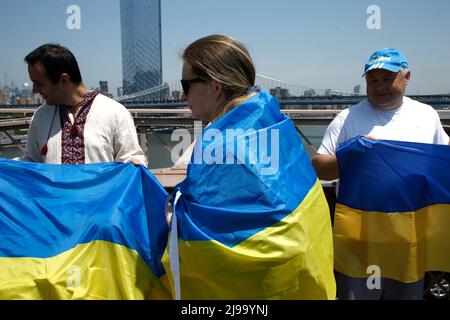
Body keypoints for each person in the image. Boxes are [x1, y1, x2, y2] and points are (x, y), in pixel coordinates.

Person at [162, 35, 335, 300]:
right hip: (303, 265)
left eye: (186, 84)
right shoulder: (273, 120)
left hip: (261, 283)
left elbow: (204, 228)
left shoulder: (220, 143)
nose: (182, 95)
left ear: (214, 87)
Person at [312, 48, 450, 299]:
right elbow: (319, 168)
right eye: (372, 81)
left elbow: (442, 164)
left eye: (387, 79)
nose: (380, 87)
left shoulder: (427, 116)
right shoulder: (346, 118)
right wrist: (348, 156)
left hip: (409, 240)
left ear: (406, 77)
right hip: (360, 242)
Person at [21, 44, 146, 166]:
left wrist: (134, 163)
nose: (34, 90)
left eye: (38, 83)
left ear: (64, 80)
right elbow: (31, 163)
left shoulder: (115, 113)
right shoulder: (40, 116)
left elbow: (132, 160)